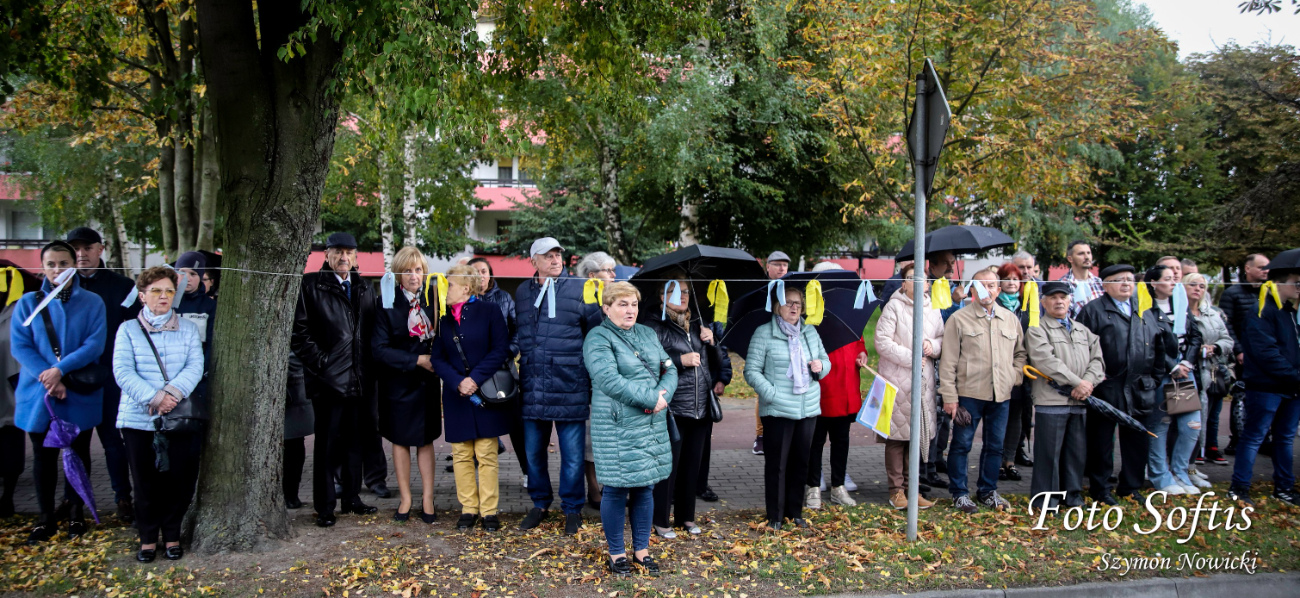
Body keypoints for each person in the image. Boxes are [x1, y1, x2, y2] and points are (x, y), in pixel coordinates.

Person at [11, 241, 107, 544]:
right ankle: (44, 517)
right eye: (51, 264)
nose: (57, 269)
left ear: (74, 264)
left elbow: (94, 344)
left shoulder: (93, 302)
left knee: (79, 452)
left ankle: (77, 513)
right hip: (40, 392)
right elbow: (21, 345)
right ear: (43, 267)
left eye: (63, 263)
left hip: (78, 390)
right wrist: (49, 377)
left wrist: (60, 370)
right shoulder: (28, 302)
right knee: (43, 456)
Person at [582, 282, 677, 576]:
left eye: (633, 304)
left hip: (650, 421)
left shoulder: (648, 333)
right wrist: (652, 398)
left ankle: (641, 551)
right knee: (615, 488)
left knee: (645, 487)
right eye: (622, 304)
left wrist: (662, 395)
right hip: (616, 425)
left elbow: (669, 368)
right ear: (606, 308)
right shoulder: (597, 338)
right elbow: (609, 381)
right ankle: (616, 554)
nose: (630, 310)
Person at [112, 266, 205, 562]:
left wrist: (172, 395)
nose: (163, 296)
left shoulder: (188, 328)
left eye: (168, 290)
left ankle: (173, 535)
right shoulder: (127, 330)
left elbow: (195, 366)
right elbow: (122, 371)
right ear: (142, 296)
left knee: (178, 481)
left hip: (178, 417)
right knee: (144, 481)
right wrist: (153, 397)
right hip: (138, 419)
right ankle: (148, 538)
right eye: (156, 291)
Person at [515, 237, 603, 535]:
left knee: (573, 456)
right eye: (548, 256)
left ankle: (572, 509)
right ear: (534, 261)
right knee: (534, 454)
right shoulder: (522, 293)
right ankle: (540, 503)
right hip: (533, 387)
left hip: (570, 387)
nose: (555, 260)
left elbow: (595, 338)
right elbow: (520, 335)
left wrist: (591, 383)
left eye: (558, 255)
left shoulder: (581, 290)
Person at [292, 232, 379, 527]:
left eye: (350, 252)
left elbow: (369, 334)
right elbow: (299, 334)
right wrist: (324, 365)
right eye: (338, 252)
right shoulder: (311, 285)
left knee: (355, 442)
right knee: (327, 445)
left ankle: (351, 498)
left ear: (355, 256)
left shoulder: (365, 287)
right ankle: (325, 505)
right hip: (327, 381)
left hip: (359, 380)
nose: (344, 258)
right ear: (327, 255)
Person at [1076, 264, 1168, 505]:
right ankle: (1101, 489)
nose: (1127, 283)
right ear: (1106, 286)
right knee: (1101, 442)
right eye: (1119, 280)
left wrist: (1153, 379)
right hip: (1107, 386)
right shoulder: (1093, 311)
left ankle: (1130, 486)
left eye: (1129, 279)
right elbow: (1080, 349)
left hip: (1140, 387)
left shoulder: (1144, 310)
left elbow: (1160, 347)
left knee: (1137, 440)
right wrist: (1091, 382)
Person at [429, 265, 511, 531]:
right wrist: (457, 382)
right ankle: (468, 509)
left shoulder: (490, 311)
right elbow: (437, 358)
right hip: (457, 395)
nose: (445, 289)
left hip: (484, 392)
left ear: (466, 287)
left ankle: (489, 511)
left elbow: (500, 350)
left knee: (487, 454)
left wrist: (474, 379)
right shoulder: (442, 317)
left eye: (449, 284)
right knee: (461, 454)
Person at [938, 269, 1027, 513]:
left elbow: (1020, 354)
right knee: (961, 445)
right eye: (981, 285)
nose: (987, 290)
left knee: (995, 446)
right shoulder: (959, 319)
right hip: (969, 395)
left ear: (998, 289)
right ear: (972, 290)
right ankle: (959, 493)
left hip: (1001, 395)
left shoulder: (1010, 319)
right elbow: (948, 363)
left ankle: (988, 490)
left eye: (992, 285)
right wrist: (949, 397)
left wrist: (1014, 375)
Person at [66, 227, 138, 523]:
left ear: (101, 248)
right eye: (76, 249)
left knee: (112, 441)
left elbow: (135, 329)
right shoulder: (62, 287)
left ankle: (123, 499)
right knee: (76, 443)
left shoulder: (122, 285)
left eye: (87, 247)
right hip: (72, 378)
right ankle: (74, 505)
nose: (81, 254)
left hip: (110, 376)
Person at [745, 284, 831, 530]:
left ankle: (795, 513)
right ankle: (775, 515)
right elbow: (751, 371)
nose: (794, 307)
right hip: (778, 409)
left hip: (807, 408)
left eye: (798, 303)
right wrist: (771, 393)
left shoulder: (810, 332)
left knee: (800, 462)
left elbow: (826, 362)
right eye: (789, 302)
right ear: (777, 306)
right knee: (777, 464)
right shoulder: (763, 333)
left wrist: (820, 367)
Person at [643, 272, 720, 537]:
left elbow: (717, 365)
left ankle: (686, 518)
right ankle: (661, 519)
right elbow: (647, 364)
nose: (682, 296)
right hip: (672, 407)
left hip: (700, 407)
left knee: (692, 466)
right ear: (661, 296)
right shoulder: (653, 324)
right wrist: (679, 360)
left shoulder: (698, 322)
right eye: (675, 292)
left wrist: (713, 343)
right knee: (668, 467)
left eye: (686, 291)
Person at [371, 247, 442, 523]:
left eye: (419, 270)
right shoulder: (385, 303)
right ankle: (405, 498)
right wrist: (416, 360)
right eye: (408, 271)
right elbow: (379, 349)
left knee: (425, 441)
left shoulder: (434, 299)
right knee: (400, 442)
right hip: (398, 382)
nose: (414, 276)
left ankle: (427, 498)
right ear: (398, 274)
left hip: (426, 383)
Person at [1025, 281, 1104, 513]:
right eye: (1053, 297)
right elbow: (1046, 362)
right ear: (1043, 302)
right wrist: (1077, 382)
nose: (1059, 301)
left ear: (1070, 301)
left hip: (1079, 401)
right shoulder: (1037, 329)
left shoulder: (1083, 330)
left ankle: (1073, 498)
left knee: (1075, 455)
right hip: (1051, 401)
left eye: (1063, 297)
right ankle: (1045, 501)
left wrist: (1087, 383)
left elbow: (1097, 360)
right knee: (1048, 456)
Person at [1228, 265, 1300, 506]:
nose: (1299, 288)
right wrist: (1294, 375)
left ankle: (1284, 488)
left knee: (1285, 438)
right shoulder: (1261, 311)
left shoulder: (1289, 311)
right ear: (1279, 284)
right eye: (1296, 282)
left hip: (1291, 387)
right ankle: (1239, 488)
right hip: (1266, 386)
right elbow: (1265, 353)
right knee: (1254, 437)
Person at [873, 263, 941, 510]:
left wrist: (932, 346)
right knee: (896, 437)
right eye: (912, 277)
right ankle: (896, 491)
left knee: (916, 436)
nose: (918, 281)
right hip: (896, 381)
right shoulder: (894, 307)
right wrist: (911, 356)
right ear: (903, 283)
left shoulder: (934, 309)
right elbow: (881, 341)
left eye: (922, 278)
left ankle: (914, 490)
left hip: (923, 383)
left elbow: (942, 338)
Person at [1144, 264, 1205, 497]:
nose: (1173, 282)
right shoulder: (1146, 308)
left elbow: (1195, 336)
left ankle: (1180, 472)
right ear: (1153, 283)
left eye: (1174, 278)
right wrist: (1172, 366)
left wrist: (1187, 363)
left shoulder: (1180, 304)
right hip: (1162, 374)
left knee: (1191, 425)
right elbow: (1152, 341)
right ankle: (1160, 475)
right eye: (1168, 279)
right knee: (1161, 425)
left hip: (1184, 374)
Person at [468, 257, 527, 488]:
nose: (480, 275)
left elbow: (517, 331)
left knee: (516, 424)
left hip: (503, 369)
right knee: (481, 423)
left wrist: (508, 352)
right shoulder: (463, 301)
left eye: (484, 271)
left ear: (491, 275)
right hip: (474, 372)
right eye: (475, 272)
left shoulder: (504, 298)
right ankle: (484, 477)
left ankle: (527, 472)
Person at [577, 251, 618, 508]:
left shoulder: (616, 300)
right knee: (590, 443)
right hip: (588, 382)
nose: (614, 275)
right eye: (608, 271)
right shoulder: (582, 302)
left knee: (611, 440)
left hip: (614, 382)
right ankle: (593, 489)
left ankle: (610, 486)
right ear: (592, 276)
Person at [1219, 253, 1270, 455]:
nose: (1266, 271)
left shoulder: (1271, 292)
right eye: (1261, 267)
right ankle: (1238, 438)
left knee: (1265, 397)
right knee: (1241, 395)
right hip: (1244, 354)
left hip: (1267, 355)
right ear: (1248, 269)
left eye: (1268, 268)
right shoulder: (1232, 293)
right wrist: (1238, 350)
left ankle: (1264, 437)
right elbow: (1226, 325)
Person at [1184, 273, 1234, 467]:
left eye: (1202, 286)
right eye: (1193, 285)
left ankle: (1198, 458)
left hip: (1210, 372)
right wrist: (1194, 350)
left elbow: (1227, 339)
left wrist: (1216, 347)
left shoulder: (1213, 314)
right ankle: (1186, 461)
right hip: (1187, 372)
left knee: (1209, 416)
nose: (1198, 289)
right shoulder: (1177, 312)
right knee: (1186, 419)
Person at [994, 263, 1033, 481]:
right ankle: (996, 461)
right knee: (999, 416)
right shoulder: (994, 305)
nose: (1011, 282)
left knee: (1016, 417)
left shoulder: (1027, 307)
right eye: (1006, 278)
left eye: (1015, 279)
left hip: (1020, 370)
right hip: (998, 370)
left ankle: (1010, 460)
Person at [753, 250, 792, 457]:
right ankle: (761, 436)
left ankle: (783, 433)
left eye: (785, 265)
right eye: (777, 264)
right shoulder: (761, 290)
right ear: (768, 267)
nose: (781, 268)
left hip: (787, 346)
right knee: (764, 391)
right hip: (765, 346)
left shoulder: (792, 289)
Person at [173, 252, 218, 362]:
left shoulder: (210, 306)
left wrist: (203, 370)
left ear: (201, 277)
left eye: (193, 274)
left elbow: (212, 343)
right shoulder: (166, 302)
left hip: (197, 368)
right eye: (182, 272)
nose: (187, 278)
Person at [283, 353, 313, 509]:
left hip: (294, 385)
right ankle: (289, 494)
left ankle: (290, 493)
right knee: (292, 445)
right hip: (294, 378)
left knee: (293, 444)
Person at [1059, 240, 1104, 318]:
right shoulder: (1061, 284)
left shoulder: (1100, 283)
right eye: (1081, 254)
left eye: (1088, 253)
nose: (1087, 257)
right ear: (1070, 259)